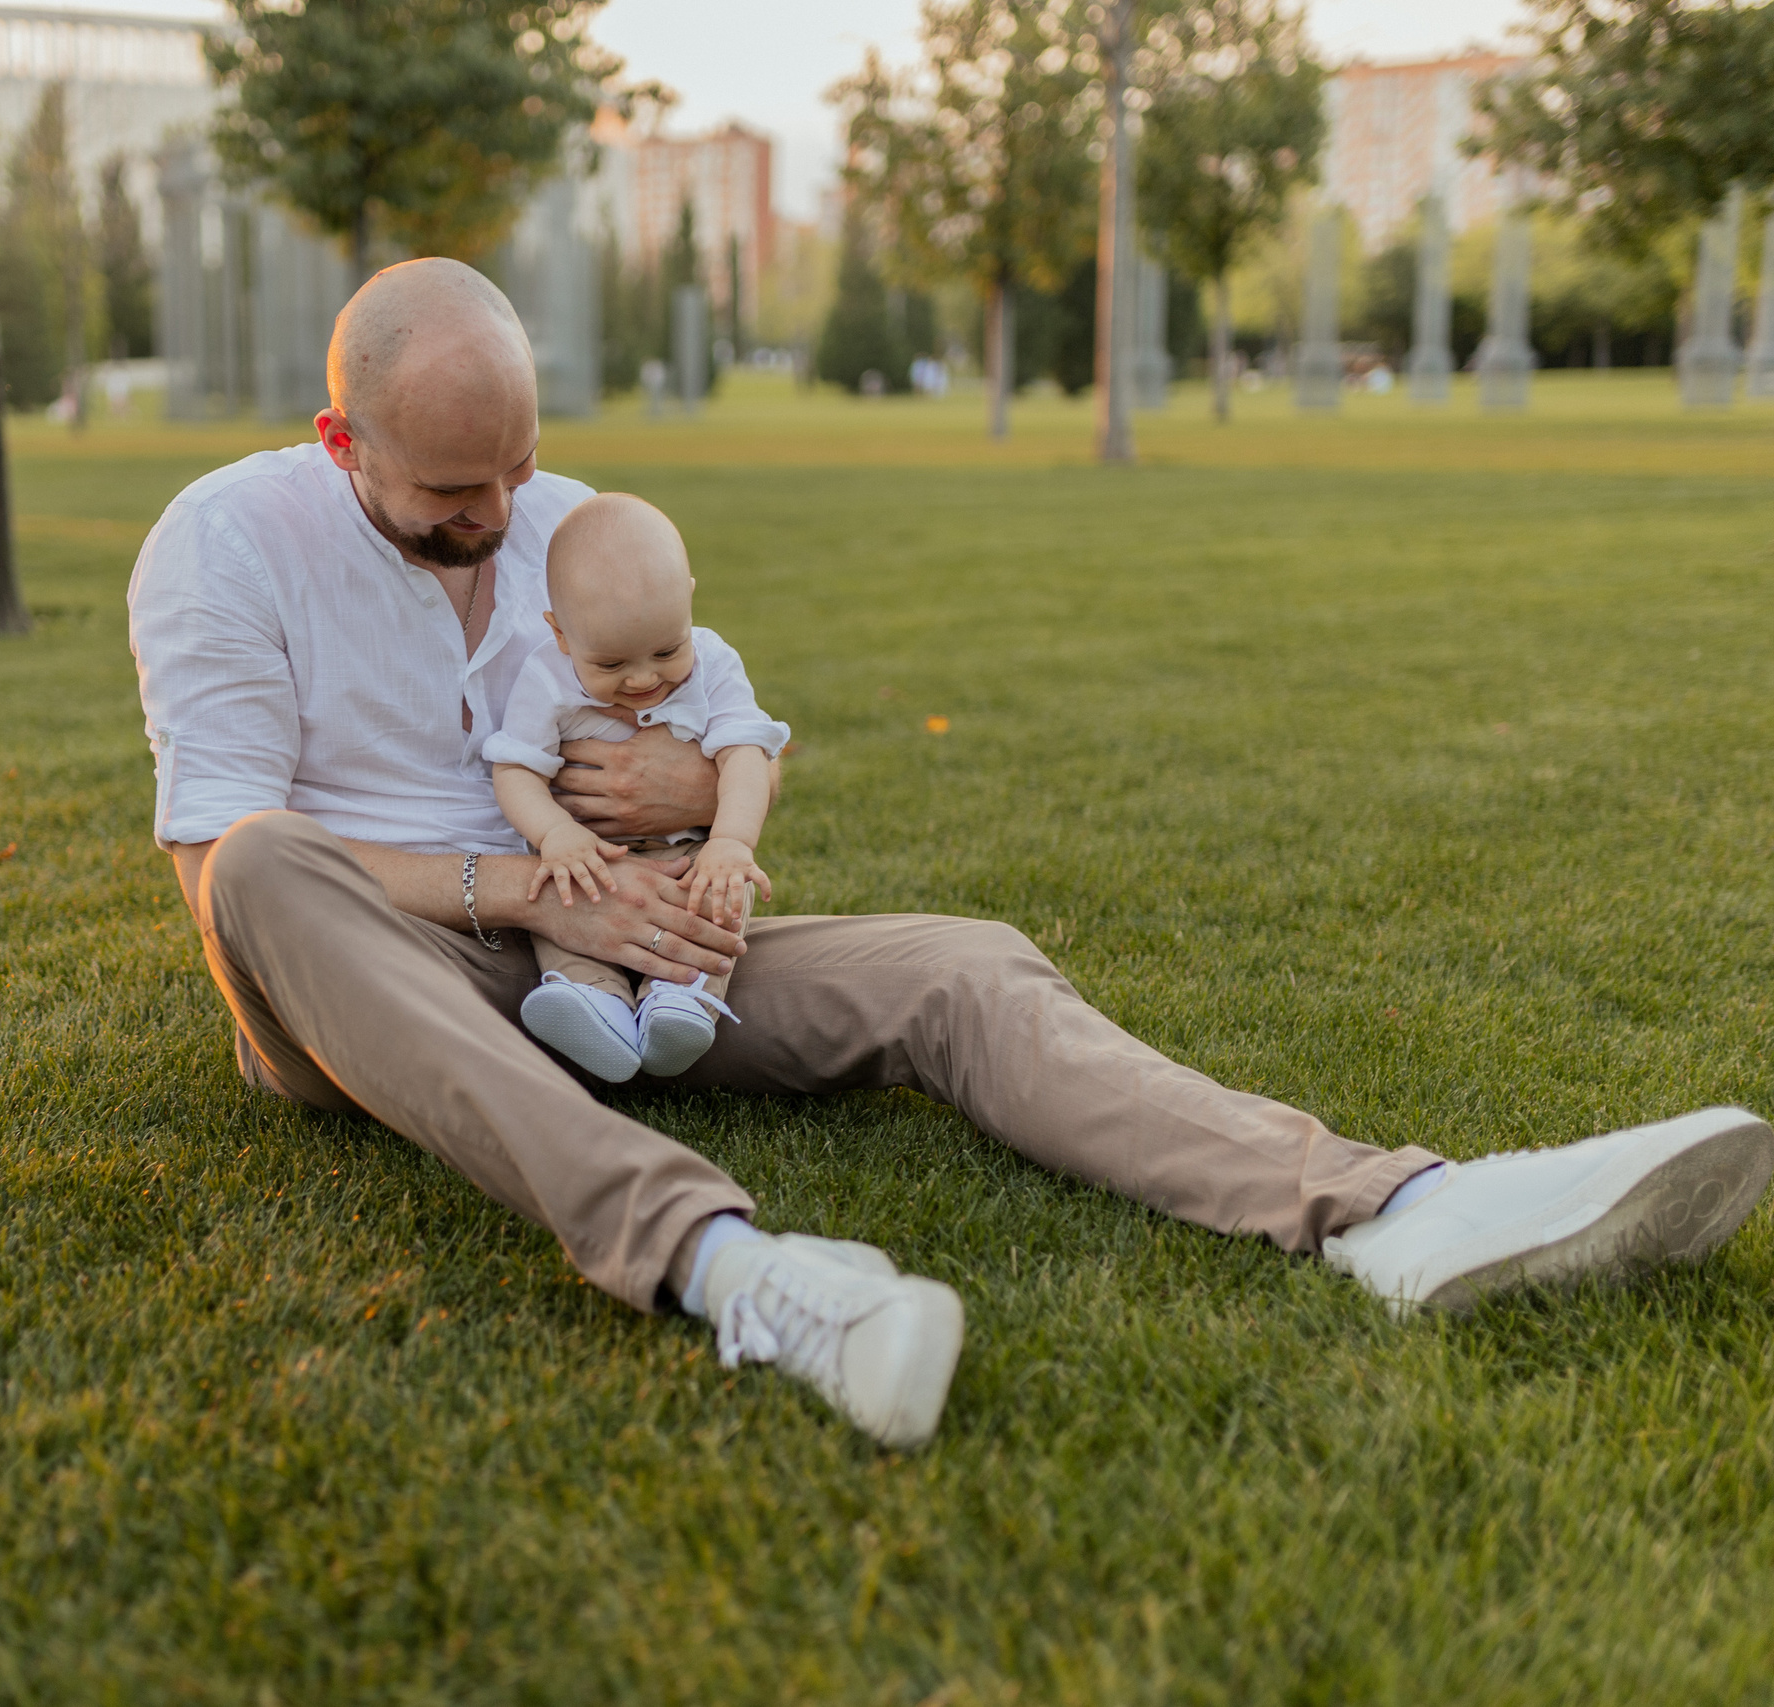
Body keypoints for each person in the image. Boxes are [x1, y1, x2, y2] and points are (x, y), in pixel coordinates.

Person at [126, 258, 1773, 1451]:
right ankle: (733, 1268)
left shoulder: (567, 522)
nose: (499, 518)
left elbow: (722, 729)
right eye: (449, 495)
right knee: (273, 859)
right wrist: (528, 885)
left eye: (518, 472)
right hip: (379, 965)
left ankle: (1391, 1208)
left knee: (962, 961)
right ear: (344, 445)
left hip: (619, 950)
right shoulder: (224, 540)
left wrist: (677, 803)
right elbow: (220, 869)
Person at [483, 493, 785, 1084]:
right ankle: (591, 1001)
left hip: (691, 852)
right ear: (561, 634)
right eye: (612, 663)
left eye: (668, 650)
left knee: (718, 896)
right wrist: (556, 833)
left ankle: (683, 998)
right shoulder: (546, 677)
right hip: (591, 855)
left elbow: (745, 753)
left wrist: (731, 842)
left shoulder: (715, 662)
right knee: (562, 901)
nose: (645, 678)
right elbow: (516, 770)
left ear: (688, 600)